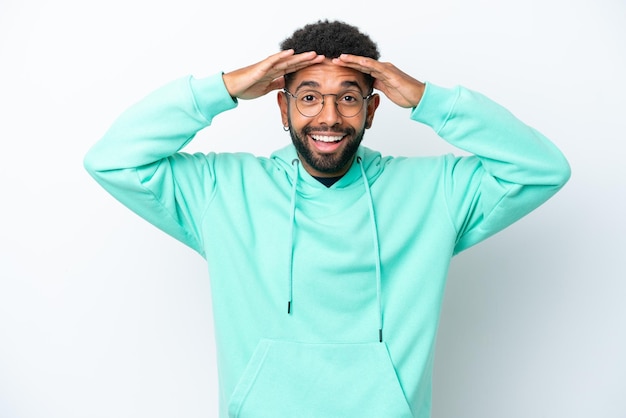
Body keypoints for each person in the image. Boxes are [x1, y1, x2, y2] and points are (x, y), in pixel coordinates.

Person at [84, 19, 570, 418]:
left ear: (372, 109)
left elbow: (543, 169)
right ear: (282, 105)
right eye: (310, 96)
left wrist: (428, 99)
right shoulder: (221, 190)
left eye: (349, 97)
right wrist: (224, 88)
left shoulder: (435, 193)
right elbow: (113, 161)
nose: (330, 117)